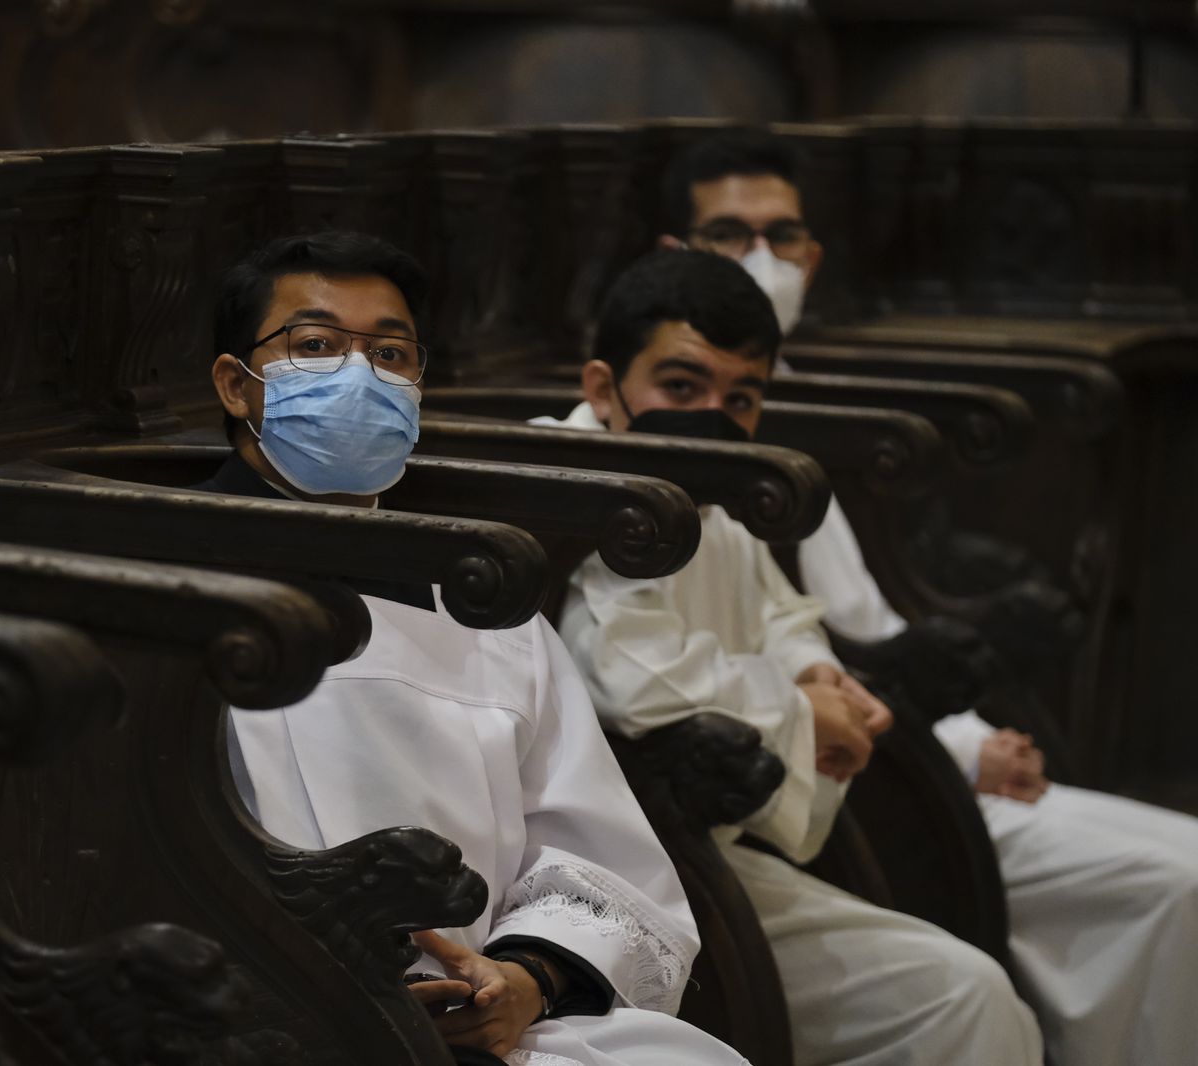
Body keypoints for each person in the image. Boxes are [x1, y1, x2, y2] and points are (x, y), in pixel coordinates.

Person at [660, 129, 1198, 1066]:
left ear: (811, 257)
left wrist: (972, 731)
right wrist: (956, 746)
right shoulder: (685, 435)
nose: (761, 261)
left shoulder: (782, 410)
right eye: (728, 237)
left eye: (780, 237)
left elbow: (859, 629)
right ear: (675, 256)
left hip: (901, 749)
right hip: (864, 782)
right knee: (1171, 890)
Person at [195, 229, 750, 1066]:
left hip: (496, 1026)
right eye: (315, 346)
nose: (359, 375)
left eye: (390, 353)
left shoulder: (478, 604)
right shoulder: (162, 588)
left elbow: (596, 855)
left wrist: (526, 979)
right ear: (239, 386)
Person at [549, 247, 1045, 1066]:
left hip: (713, 853)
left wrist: (823, 678)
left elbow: (777, 610)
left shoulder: (709, 486)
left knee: (974, 987)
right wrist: (797, 713)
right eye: (680, 387)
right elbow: (633, 684)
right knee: (958, 997)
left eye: (739, 398)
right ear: (603, 389)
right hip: (614, 877)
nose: (711, 414)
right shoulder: (575, 489)